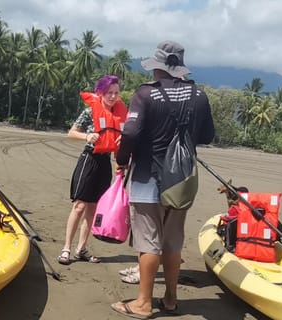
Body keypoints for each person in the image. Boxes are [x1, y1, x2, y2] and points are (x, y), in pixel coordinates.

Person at [111, 40, 215, 318]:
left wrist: (121, 160)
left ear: (158, 68)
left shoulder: (146, 94)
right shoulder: (199, 95)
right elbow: (207, 136)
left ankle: (143, 303)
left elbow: (131, 133)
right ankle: (170, 298)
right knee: (172, 241)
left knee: (148, 242)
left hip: (148, 177)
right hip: (182, 180)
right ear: (179, 68)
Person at [57, 75, 127, 265]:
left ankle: (81, 249)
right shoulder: (89, 112)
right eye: (109, 93)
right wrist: (87, 136)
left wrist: (120, 165)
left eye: (116, 93)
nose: (113, 97)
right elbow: (71, 133)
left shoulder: (120, 116)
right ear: (101, 93)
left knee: (93, 209)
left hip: (105, 163)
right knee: (79, 206)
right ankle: (66, 248)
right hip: (88, 160)